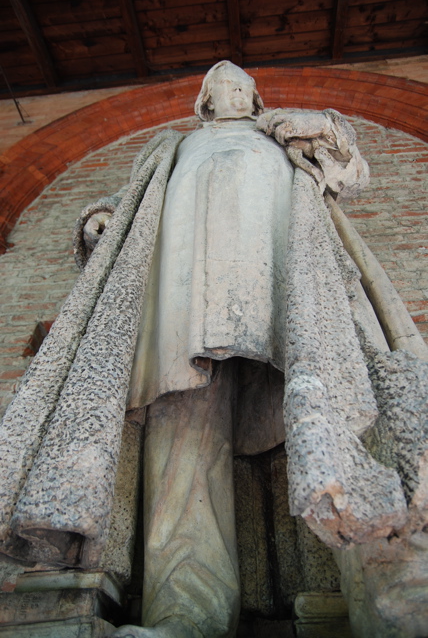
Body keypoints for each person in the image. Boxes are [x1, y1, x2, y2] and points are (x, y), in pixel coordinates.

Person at [97, 61, 378, 638]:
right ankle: (184, 614)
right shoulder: (174, 147)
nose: (238, 94)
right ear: (206, 100)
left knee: (317, 424)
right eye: (226, 88)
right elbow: (133, 208)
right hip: (183, 309)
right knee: (182, 444)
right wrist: (102, 220)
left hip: (285, 298)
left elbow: (350, 172)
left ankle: (347, 595)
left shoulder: (281, 136)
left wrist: (325, 127)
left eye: (246, 89)